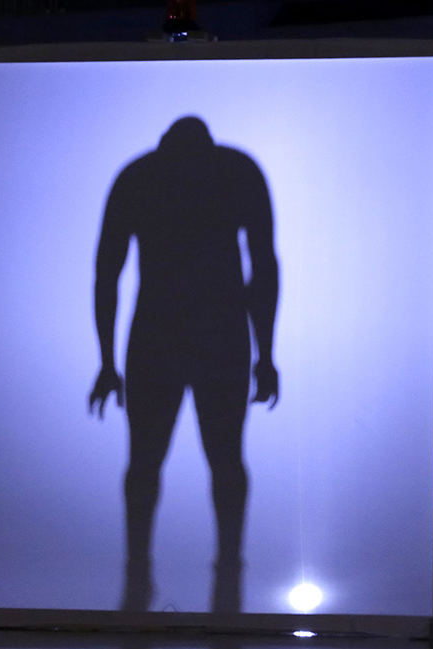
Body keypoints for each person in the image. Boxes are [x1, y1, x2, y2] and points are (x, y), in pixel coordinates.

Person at [89, 116, 278, 613]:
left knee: (168, 463)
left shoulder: (142, 177)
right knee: (209, 462)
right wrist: (266, 355)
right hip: (205, 337)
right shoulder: (235, 173)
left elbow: (107, 270)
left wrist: (108, 362)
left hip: (171, 336)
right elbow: (263, 266)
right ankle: (204, 570)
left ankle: (164, 570)